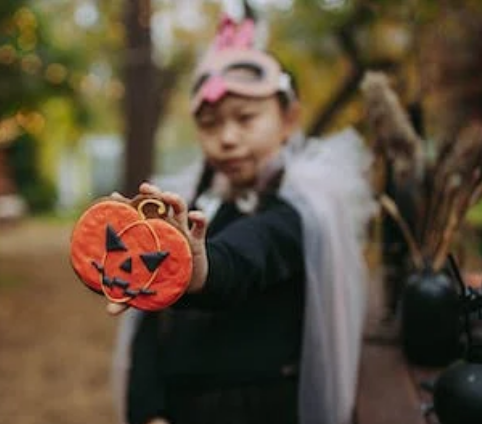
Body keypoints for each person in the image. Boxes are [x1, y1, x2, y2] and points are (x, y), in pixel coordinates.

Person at [107, 14, 375, 424]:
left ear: (288, 120)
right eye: (210, 124)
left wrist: (199, 269)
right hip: (180, 408)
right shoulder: (197, 201)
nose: (227, 138)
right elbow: (150, 323)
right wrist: (147, 408)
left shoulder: (301, 209)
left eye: (246, 118)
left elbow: (250, 253)